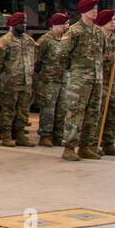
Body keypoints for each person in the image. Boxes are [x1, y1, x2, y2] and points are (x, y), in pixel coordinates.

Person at [60, 0, 106, 162]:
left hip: (96, 80)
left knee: (93, 114)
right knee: (75, 113)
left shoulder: (98, 32)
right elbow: (62, 54)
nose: (95, 11)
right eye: (92, 8)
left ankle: (86, 147)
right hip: (79, 80)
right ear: (84, 11)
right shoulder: (74, 31)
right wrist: (74, 71)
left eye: (96, 8)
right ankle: (69, 147)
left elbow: (104, 54)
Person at [0, 11, 38, 147]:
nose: (24, 25)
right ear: (13, 24)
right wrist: (5, 76)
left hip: (25, 83)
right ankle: (6, 135)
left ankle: (20, 135)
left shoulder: (29, 41)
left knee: (23, 111)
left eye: (24, 22)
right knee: (8, 110)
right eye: (21, 23)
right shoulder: (4, 41)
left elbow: (34, 58)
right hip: (9, 84)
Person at [35, 12, 71, 147]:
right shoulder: (45, 40)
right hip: (48, 80)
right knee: (48, 109)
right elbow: (37, 61)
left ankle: (58, 135)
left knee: (62, 109)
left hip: (63, 79)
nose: (67, 26)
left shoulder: (66, 39)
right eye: (64, 23)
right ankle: (45, 135)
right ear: (55, 25)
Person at [95, 9, 115, 157]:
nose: (113, 23)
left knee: (114, 113)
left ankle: (109, 143)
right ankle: (94, 142)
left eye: (114, 20)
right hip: (99, 81)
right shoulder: (96, 37)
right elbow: (89, 58)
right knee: (97, 114)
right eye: (110, 20)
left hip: (113, 82)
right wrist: (108, 57)